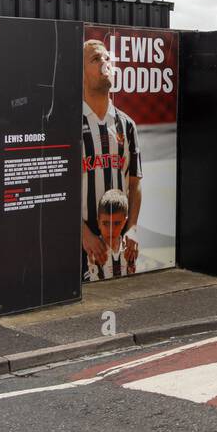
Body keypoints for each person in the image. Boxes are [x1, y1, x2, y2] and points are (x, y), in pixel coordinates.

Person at [81, 39, 141, 281]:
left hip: (118, 242)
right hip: (83, 244)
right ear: (80, 72)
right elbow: (60, 190)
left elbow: (135, 183)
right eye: (96, 59)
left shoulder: (126, 125)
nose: (105, 64)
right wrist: (83, 233)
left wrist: (133, 228)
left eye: (107, 59)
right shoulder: (68, 122)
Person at [86, 189, 136, 281]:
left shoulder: (129, 248)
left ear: (124, 222)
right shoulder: (93, 250)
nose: (111, 230)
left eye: (116, 223)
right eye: (105, 223)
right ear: (98, 222)